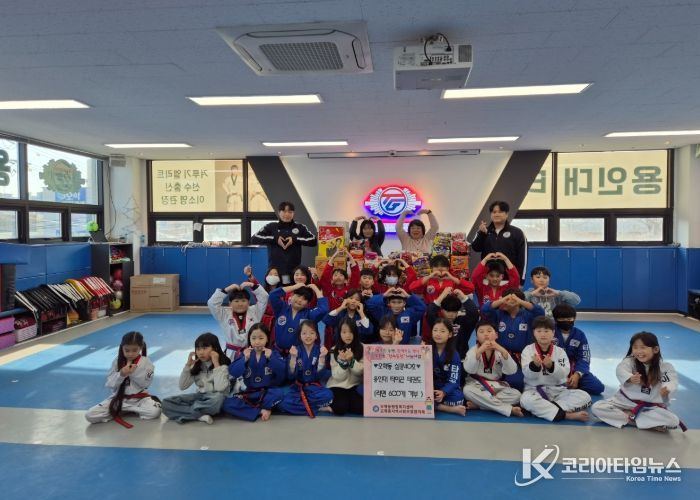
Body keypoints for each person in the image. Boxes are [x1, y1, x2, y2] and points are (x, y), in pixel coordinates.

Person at [592, 332, 685, 432]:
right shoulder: (629, 362)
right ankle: (642, 422)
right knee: (597, 408)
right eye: (635, 347)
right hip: (623, 402)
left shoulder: (665, 367)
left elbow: (671, 381)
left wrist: (667, 389)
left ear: (655, 349)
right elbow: (620, 370)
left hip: (649, 408)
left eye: (643, 347)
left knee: (673, 421)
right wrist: (630, 378)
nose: (639, 351)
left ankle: (630, 418)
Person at [519, 316, 591, 422]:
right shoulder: (528, 350)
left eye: (546, 331)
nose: (543, 334)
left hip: (558, 391)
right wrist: (534, 366)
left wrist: (551, 366)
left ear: (553, 333)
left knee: (585, 396)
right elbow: (528, 375)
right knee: (525, 400)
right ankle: (566, 415)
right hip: (535, 391)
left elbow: (564, 373)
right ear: (534, 333)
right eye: (539, 331)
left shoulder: (560, 351)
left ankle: (547, 409)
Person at [85, 331, 161, 427]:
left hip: (140, 400)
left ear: (141, 348)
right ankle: (126, 409)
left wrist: (132, 373)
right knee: (90, 415)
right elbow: (110, 384)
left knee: (155, 411)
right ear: (122, 348)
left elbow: (145, 384)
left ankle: (124, 410)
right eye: (127, 350)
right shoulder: (117, 361)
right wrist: (121, 374)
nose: (130, 354)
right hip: (119, 399)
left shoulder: (146, 362)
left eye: (134, 350)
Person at [481, 288, 545, 391]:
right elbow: (485, 309)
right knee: (486, 382)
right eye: (504, 299)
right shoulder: (498, 314)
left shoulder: (528, 315)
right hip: (499, 356)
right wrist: (502, 300)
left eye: (509, 300)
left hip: (520, 358)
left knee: (515, 383)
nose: (505, 302)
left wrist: (520, 301)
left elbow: (540, 312)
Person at [161, 333, 231, 424]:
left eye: (204, 348)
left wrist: (216, 363)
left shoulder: (223, 365)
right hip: (200, 397)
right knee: (166, 403)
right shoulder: (197, 366)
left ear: (215, 348)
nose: (201, 352)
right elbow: (182, 386)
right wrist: (188, 365)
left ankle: (190, 411)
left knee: (218, 399)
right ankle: (199, 414)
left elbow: (220, 388)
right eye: (198, 349)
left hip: (214, 398)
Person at [222, 323, 286, 422]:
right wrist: (245, 359)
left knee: (279, 394)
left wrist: (271, 358)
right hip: (251, 393)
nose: (257, 342)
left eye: (261, 338)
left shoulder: (272, 353)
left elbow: (283, 371)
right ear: (249, 339)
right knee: (227, 404)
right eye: (254, 338)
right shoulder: (245, 354)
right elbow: (233, 372)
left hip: (268, 392)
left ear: (267, 339)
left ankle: (253, 408)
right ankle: (261, 410)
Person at [463, 320, 524, 417]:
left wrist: (504, 352)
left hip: (497, 386)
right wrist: (479, 352)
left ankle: (480, 405)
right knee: (467, 390)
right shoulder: (473, 351)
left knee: (517, 395)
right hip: (477, 385)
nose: (485, 334)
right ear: (477, 337)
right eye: (481, 332)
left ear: (496, 335)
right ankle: (508, 409)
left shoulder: (501, 350)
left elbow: (511, 371)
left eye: (489, 331)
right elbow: (469, 370)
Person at [250, 201, 317, 284]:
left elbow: (313, 240)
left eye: (290, 212)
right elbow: (254, 238)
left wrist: (295, 239)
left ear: (293, 213)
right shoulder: (271, 227)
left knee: (292, 291)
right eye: (284, 211)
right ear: (279, 212)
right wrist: (275, 239)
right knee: (274, 291)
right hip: (274, 272)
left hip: (294, 272)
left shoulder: (300, 227)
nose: (287, 214)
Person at [279, 320, 334, 417]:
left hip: (314, 388)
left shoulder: (320, 351)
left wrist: (322, 358)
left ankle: (300, 407)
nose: (308, 336)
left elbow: (320, 376)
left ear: (316, 335)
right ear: (300, 336)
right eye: (304, 333)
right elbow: (291, 376)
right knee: (283, 404)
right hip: (298, 388)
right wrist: (293, 358)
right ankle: (317, 408)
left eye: (311, 333)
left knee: (329, 395)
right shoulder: (295, 351)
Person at [552, 304, 604, 395]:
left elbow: (584, 357)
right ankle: (563, 385)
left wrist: (577, 374)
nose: (566, 321)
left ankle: (570, 383)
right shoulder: (550, 332)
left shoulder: (579, 335)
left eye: (569, 319)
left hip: (574, 368)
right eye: (562, 319)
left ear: (574, 319)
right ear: (556, 319)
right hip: (554, 368)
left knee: (597, 387)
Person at [207, 280, 269, 357]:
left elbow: (264, 297)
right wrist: (226, 290)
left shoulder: (255, 311)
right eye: (236, 301)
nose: (240, 304)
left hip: (251, 352)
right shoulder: (224, 314)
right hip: (231, 353)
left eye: (243, 301)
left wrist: (252, 285)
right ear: (230, 303)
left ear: (248, 302)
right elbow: (212, 303)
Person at [471, 201, 527, 284]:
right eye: (494, 212)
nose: (496, 214)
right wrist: (482, 234)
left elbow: (523, 259)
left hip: (509, 280)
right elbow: (476, 248)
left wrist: (520, 281)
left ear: (506, 214)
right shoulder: (484, 231)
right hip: (487, 279)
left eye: (500, 212)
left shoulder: (517, 232)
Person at [268, 282, 328, 353]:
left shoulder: (308, 314)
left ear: (307, 303)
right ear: (292, 295)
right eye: (298, 296)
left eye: (304, 299)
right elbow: (273, 295)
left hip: (299, 355)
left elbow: (324, 309)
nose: (300, 300)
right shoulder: (282, 308)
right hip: (277, 352)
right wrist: (294, 287)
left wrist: (316, 289)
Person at [426, 287, 479, 358]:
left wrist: (463, 297)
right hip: (439, 359)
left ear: (457, 312)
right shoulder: (438, 323)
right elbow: (430, 312)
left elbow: (474, 313)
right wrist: (443, 295)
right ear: (442, 310)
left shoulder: (463, 323)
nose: (451, 314)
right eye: (448, 311)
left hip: (460, 359)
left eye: (454, 311)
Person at [326, 318, 365, 415]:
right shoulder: (334, 350)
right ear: (339, 333)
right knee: (340, 408)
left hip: (354, 385)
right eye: (344, 332)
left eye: (351, 332)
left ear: (355, 333)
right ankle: (327, 407)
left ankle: (347, 403)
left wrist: (351, 361)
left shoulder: (362, 348)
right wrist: (343, 363)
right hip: (337, 385)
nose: (348, 335)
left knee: (362, 408)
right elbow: (337, 377)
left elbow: (360, 372)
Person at [430, 319, 466, 416]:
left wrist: (444, 392)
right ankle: (450, 409)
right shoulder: (426, 350)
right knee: (421, 394)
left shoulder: (454, 354)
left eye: (442, 331)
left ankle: (436, 406)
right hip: (431, 386)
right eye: (435, 330)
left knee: (458, 398)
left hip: (446, 387)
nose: (438, 334)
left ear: (449, 334)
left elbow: (454, 379)